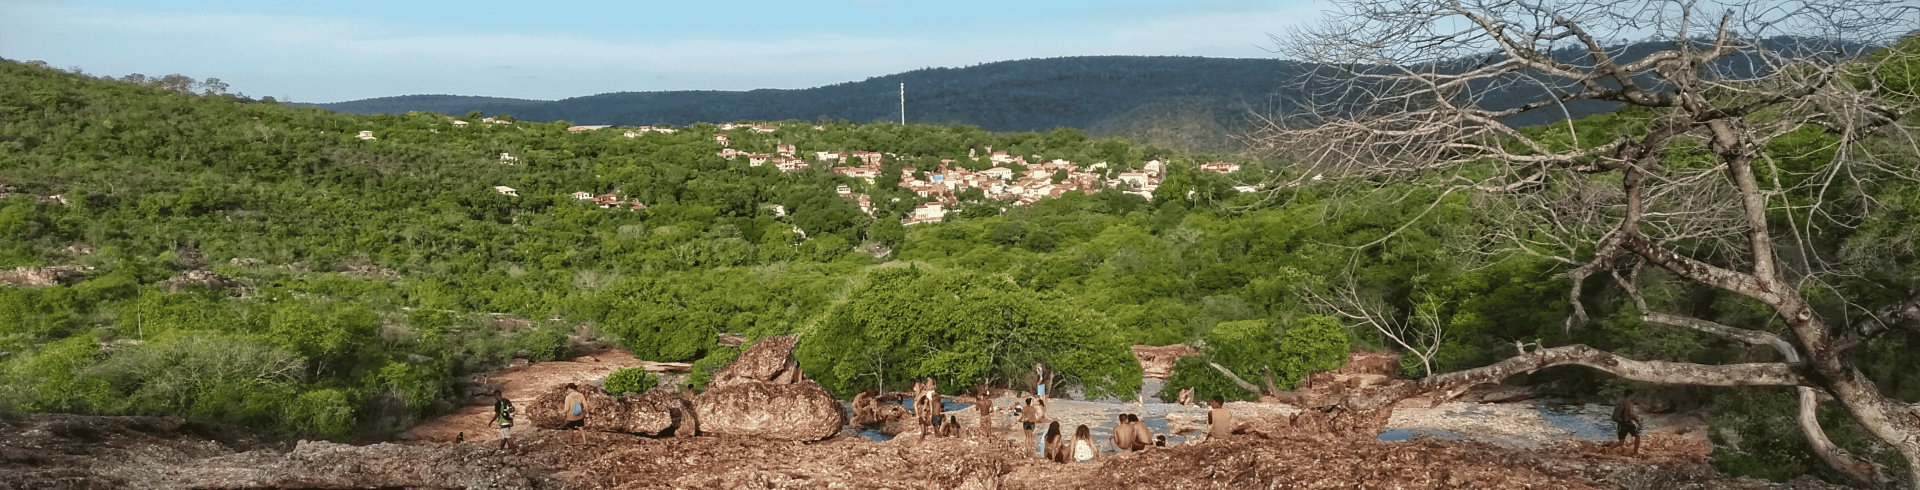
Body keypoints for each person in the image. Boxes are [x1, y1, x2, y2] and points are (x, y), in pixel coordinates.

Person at [1613, 389, 1642, 455]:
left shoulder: (1621, 402)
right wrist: (1638, 421)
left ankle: (1607, 449)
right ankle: (1635, 453)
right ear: (1631, 395)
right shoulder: (1630, 403)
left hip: (1621, 423)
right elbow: (1631, 414)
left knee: (1621, 442)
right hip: (1627, 423)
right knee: (1637, 436)